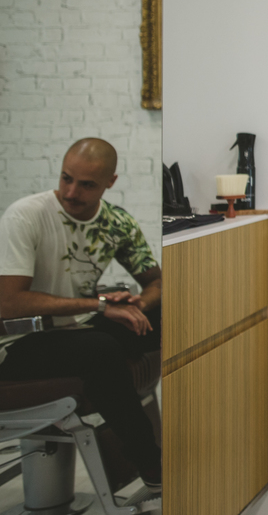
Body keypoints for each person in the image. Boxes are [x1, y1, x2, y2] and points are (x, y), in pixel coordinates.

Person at [0, 138, 163, 489]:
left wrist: (139, 306)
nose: (71, 192)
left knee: (166, 315)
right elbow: (8, 303)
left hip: (75, 329)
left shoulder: (116, 223)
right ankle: (151, 463)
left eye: (87, 184)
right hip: (16, 342)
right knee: (100, 348)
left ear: (110, 183)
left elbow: (158, 282)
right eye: (65, 178)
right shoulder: (26, 215)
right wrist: (102, 306)